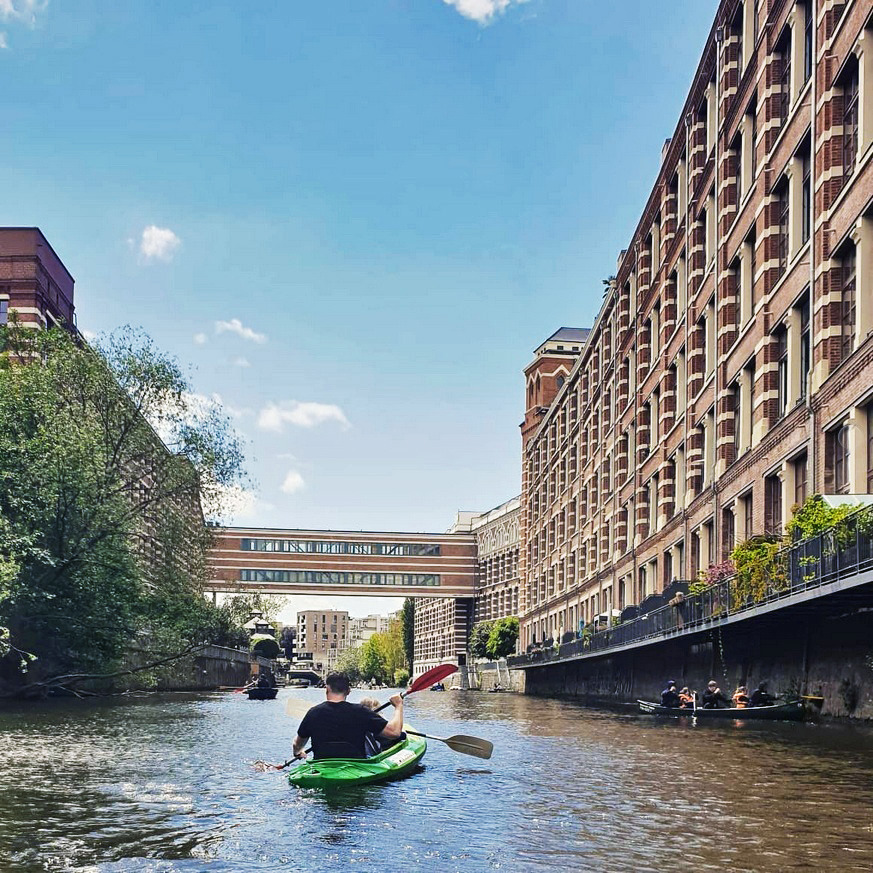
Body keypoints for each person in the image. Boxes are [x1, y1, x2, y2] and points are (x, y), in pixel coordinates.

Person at [292, 672, 404, 761]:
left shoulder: (313, 713)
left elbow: (297, 744)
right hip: (356, 766)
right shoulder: (361, 711)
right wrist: (398, 705)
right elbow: (395, 732)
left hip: (321, 765)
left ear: (327, 689)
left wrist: (298, 752)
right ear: (348, 691)